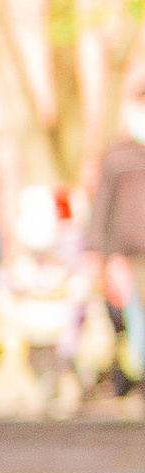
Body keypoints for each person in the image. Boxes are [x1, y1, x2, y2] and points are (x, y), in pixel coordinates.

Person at [89, 103, 145, 388]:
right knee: (136, 315)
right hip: (130, 252)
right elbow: (102, 207)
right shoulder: (118, 157)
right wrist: (101, 252)